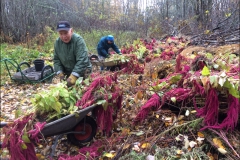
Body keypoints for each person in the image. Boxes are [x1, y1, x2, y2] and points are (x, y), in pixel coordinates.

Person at [53, 21, 92, 87]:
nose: (63, 36)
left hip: (82, 72)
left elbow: (82, 60)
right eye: (61, 34)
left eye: (66, 33)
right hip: (68, 73)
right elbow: (56, 60)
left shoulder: (78, 41)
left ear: (71, 31)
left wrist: (74, 76)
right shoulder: (57, 43)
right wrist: (60, 73)